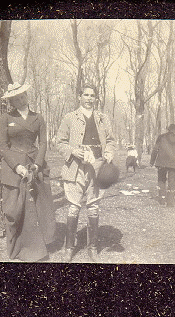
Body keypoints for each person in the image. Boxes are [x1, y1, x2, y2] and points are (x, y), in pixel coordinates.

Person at [54, 84, 116, 261]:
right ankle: (69, 248)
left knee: (94, 206)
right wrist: (73, 151)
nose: (89, 98)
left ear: (96, 98)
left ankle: (93, 247)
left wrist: (109, 152)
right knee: (74, 206)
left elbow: (111, 140)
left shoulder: (102, 118)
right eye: (86, 95)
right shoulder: (69, 117)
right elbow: (60, 142)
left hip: (97, 167)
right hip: (75, 167)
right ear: (79, 97)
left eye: (92, 95)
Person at [0, 83, 56, 262]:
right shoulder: (5, 118)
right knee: (13, 210)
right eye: (15, 98)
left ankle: (38, 247)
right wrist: (16, 166)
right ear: (11, 101)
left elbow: (43, 143)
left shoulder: (38, 118)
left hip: (33, 165)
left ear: (27, 96)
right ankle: (15, 248)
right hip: (13, 167)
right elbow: (2, 146)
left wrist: (37, 164)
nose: (20, 100)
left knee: (38, 207)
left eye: (22, 96)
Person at [150, 123, 175, 206]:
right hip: (173, 164)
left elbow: (155, 149)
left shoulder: (161, 137)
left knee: (161, 181)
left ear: (168, 129)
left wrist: (152, 161)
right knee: (172, 182)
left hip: (161, 163)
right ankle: (170, 201)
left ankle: (162, 199)